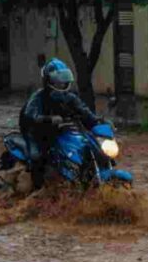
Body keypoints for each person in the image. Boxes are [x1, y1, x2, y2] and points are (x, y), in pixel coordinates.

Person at [17, 58, 102, 188]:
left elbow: (84, 112)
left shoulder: (69, 97)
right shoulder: (38, 97)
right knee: (37, 157)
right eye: (57, 81)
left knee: (86, 145)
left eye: (63, 80)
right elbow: (30, 115)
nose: (61, 84)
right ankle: (37, 190)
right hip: (36, 134)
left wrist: (99, 122)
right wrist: (49, 119)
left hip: (60, 132)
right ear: (48, 81)